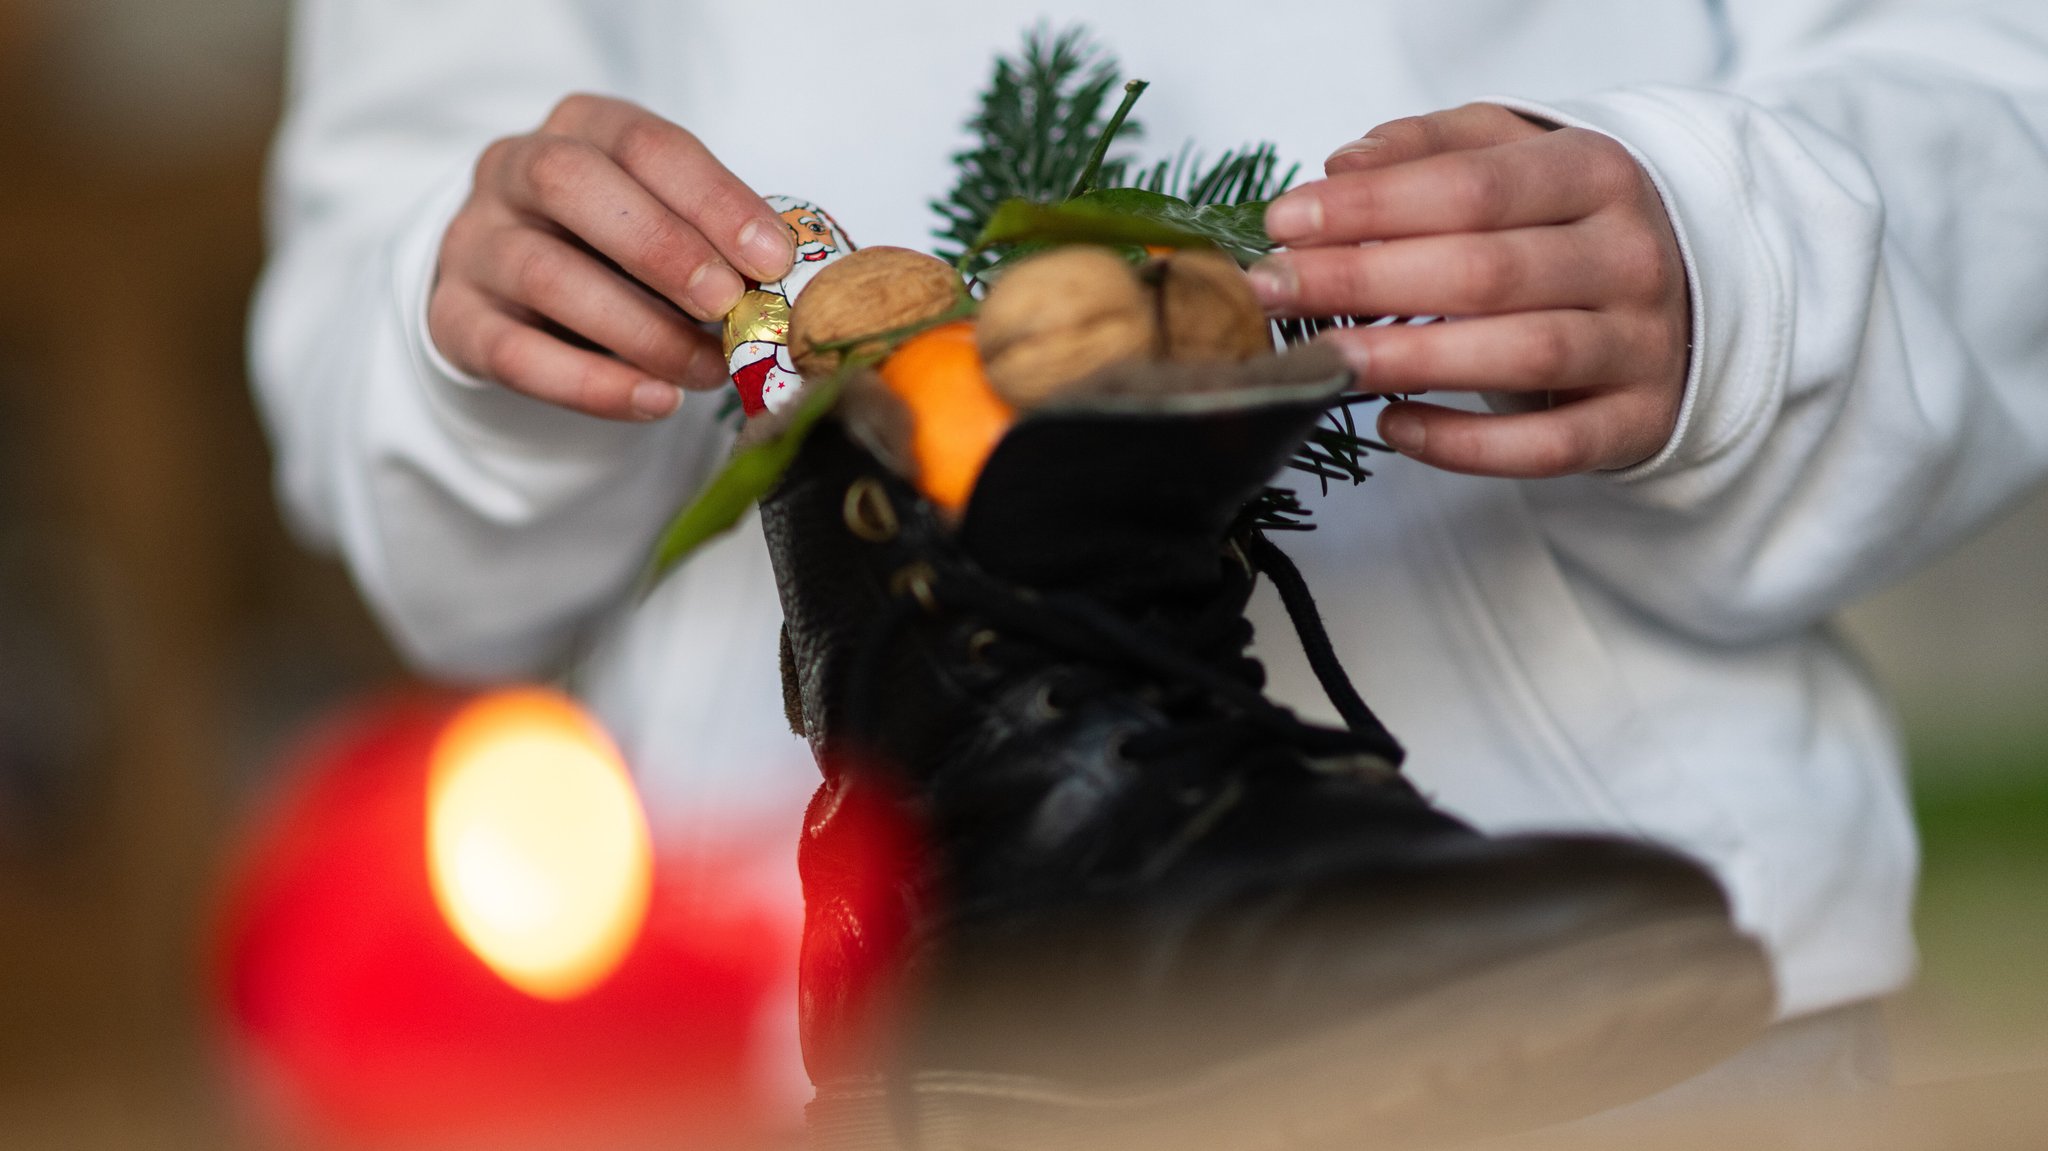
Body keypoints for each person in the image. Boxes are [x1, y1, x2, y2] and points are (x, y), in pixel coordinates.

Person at [250, 0, 2048, 1113]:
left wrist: (1736, 259)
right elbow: (407, 487)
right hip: (827, 1037)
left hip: (1616, 1003)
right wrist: (482, 325)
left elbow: (1998, 82)